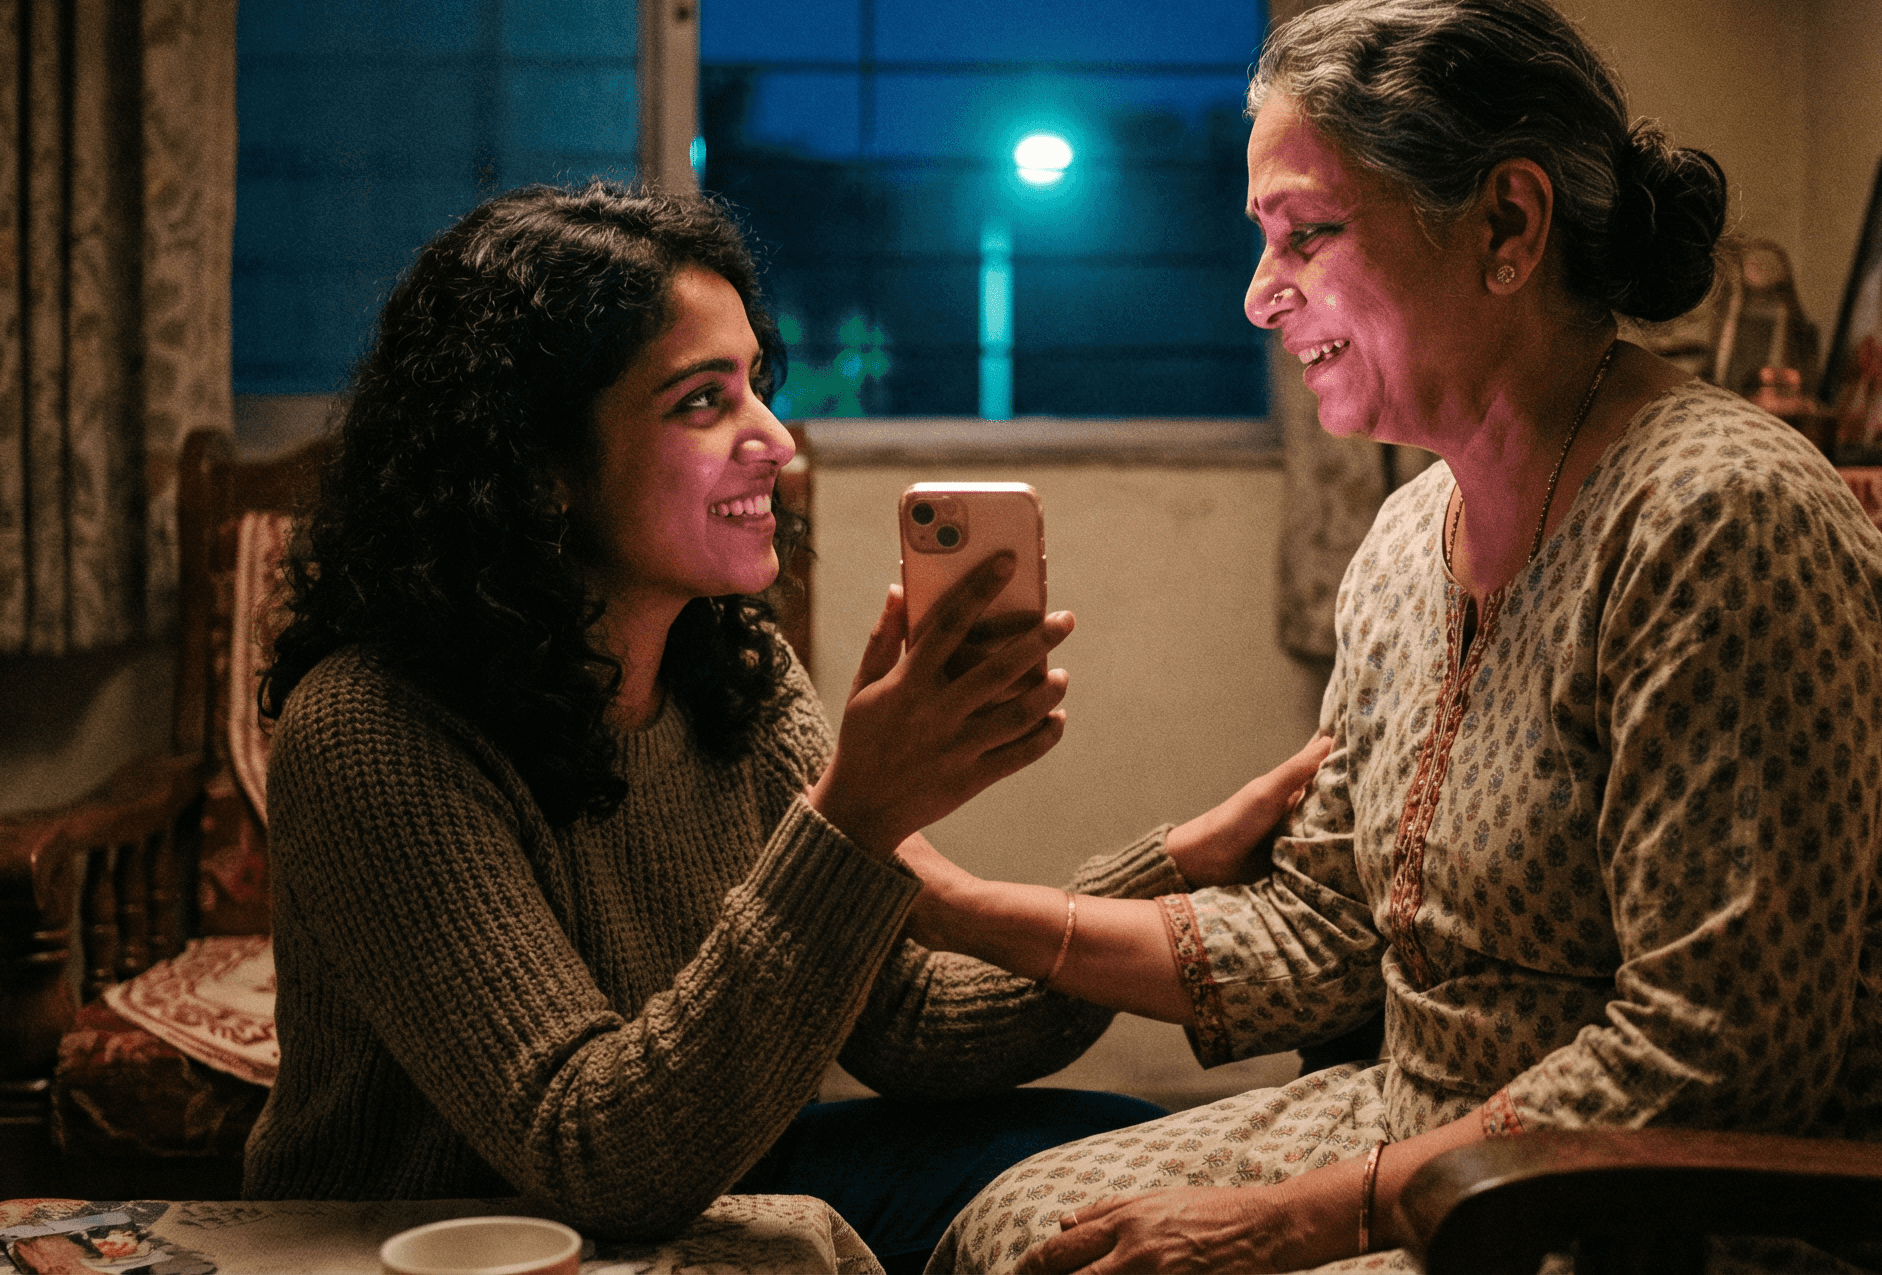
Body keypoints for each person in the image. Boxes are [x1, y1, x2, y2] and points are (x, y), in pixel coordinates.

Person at [904, 0, 1882, 1275]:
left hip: (1734, 1208)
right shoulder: (1403, 545)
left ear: (1508, 222)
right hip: (1436, 1130)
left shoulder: (1720, 520)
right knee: (1012, 1233)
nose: (1259, 298)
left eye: (1306, 233)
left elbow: (1719, 1056)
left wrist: (1293, 1219)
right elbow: (1324, 931)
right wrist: (960, 905)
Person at [240, 184, 1318, 1270]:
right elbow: (594, 1157)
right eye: (701, 402)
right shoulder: (370, 730)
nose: (774, 442)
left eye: (755, 384)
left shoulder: (732, 669)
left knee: (1147, 1165)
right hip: (432, 1238)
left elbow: (907, 1025)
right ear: (541, 467)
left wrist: (1172, 870)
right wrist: (855, 815)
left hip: (710, 1169)